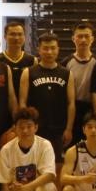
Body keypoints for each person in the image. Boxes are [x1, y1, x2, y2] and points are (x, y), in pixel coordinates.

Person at [19, 31, 74, 165]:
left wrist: (68, 129)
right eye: (45, 48)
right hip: (35, 127)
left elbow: (71, 103)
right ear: (39, 49)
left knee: (56, 164)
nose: (49, 52)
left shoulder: (66, 73)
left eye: (53, 48)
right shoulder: (29, 72)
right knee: (33, 164)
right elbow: (22, 103)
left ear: (58, 49)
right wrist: (24, 126)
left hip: (58, 128)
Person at [63, 21, 96, 144]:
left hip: (92, 108)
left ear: (92, 39)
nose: (83, 40)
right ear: (73, 39)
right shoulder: (65, 63)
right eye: (80, 36)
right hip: (72, 109)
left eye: (86, 36)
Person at [0, 21, 35, 94]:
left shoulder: (32, 60)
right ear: (5, 36)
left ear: (24, 37)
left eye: (20, 34)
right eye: (12, 34)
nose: (16, 38)